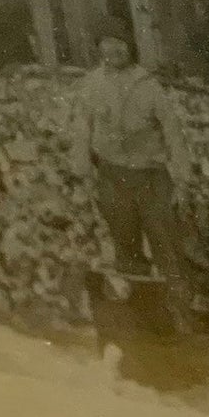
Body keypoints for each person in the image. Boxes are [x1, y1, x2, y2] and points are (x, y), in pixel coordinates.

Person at [75, 29, 195, 298]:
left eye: (119, 44)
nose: (113, 50)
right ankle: (145, 314)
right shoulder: (92, 84)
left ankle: (180, 314)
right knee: (125, 247)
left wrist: (183, 177)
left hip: (151, 178)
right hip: (112, 176)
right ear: (99, 48)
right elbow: (82, 127)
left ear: (130, 48)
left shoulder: (148, 85)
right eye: (107, 44)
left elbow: (173, 132)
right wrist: (83, 171)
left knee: (167, 245)